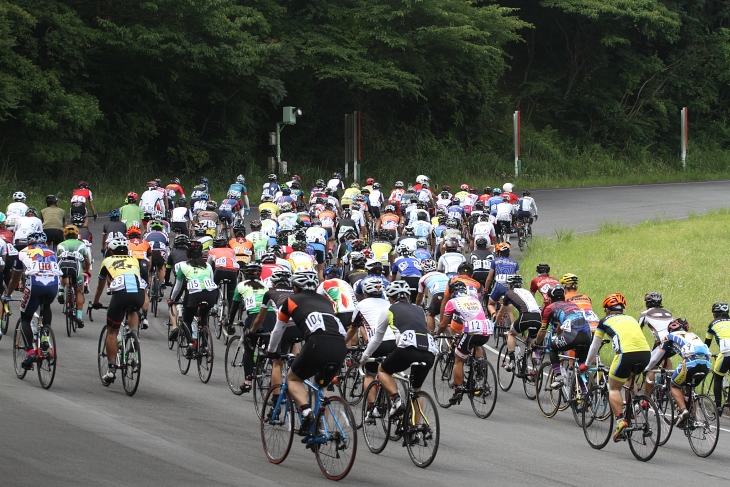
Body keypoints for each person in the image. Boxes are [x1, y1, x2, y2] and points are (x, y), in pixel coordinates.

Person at [265, 271, 347, 434]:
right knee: (321, 385)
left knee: (293, 378)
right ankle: (321, 431)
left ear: (295, 288)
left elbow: (278, 329)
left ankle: (307, 412)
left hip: (317, 342)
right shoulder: (325, 301)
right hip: (339, 345)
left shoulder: (290, 301)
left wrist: (272, 351)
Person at [359, 280, 438, 419]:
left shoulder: (388, 309)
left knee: (382, 370)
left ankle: (396, 400)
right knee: (416, 389)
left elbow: (377, 338)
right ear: (408, 296)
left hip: (407, 348)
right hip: (429, 351)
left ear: (389, 297)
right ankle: (415, 429)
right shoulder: (419, 309)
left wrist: (365, 356)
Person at [581, 293, 651, 442]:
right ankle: (632, 410)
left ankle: (621, 422)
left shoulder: (604, 321)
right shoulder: (631, 318)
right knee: (629, 379)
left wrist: (587, 364)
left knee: (613, 388)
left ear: (607, 309)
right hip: (645, 354)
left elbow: (595, 346)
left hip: (626, 354)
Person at [91, 236, 145, 384]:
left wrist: (95, 302)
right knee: (132, 310)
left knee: (112, 331)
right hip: (138, 294)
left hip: (120, 294)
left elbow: (100, 286)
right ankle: (134, 338)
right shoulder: (134, 260)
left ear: (110, 251)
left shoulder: (107, 261)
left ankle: (111, 369)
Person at [3, 232, 61, 368]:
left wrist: (8, 295)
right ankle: (46, 337)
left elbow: (15, 278)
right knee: (46, 307)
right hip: (53, 285)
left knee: (25, 318)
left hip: (35, 284)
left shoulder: (22, 252)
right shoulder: (52, 252)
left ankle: (30, 351)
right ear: (44, 242)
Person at [645, 318, 711, 427]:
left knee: (674, 385)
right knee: (690, 387)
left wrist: (647, 369)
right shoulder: (694, 335)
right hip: (706, 364)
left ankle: (684, 411)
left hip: (691, 362)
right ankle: (692, 417)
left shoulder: (669, 337)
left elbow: (656, 358)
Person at [437, 280, 492, 405]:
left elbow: (444, 324)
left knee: (459, 359)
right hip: (486, 329)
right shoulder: (475, 299)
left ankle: (458, 390)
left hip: (472, 330)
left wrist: (437, 333)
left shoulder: (452, 302)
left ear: (451, 293)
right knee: (476, 344)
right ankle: (479, 365)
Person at [169, 240, 219, 358]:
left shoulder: (183, 266)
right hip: (211, 293)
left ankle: (190, 344)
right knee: (204, 318)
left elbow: (178, 286)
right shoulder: (207, 265)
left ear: (187, 254)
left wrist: (172, 299)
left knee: (187, 319)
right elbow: (211, 280)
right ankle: (205, 346)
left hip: (194, 294)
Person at [536, 285, 592, 388]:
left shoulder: (550, 307)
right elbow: (561, 326)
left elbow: (543, 330)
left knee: (552, 347)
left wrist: (536, 344)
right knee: (580, 366)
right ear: (564, 296)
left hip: (574, 335)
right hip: (588, 335)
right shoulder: (573, 304)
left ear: (550, 298)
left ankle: (558, 377)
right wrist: (560, 337)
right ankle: (584, 393)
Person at [227, 263, 268, 391]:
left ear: (244, 275)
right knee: (268, 347)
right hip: (270, 317)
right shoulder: (266, 286)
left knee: (248, 346)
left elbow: (234, 307)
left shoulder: (240, 286)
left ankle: (248, 380)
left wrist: (229, 322)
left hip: (254, 317)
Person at [494, 275, 542, 372]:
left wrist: (495, 324)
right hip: (538, 318)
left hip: (526, 316)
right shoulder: (527, 292)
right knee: (531, 342)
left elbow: (501, 312)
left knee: (512, 333)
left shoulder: (509, 293)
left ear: (510, 286)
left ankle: (511, 362)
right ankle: (535, 368)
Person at [56, 225, 91, 327]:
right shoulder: (82, 244)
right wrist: (87, 270)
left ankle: (61, 290)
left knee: (63, 272)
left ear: (65, 236)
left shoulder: (60, 245)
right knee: (78, 291)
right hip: (76, 267)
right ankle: (79, 316)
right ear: (76, 235)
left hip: (63, 266)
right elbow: (87, 261)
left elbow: (59, 261)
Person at [317, 266, 359, 335]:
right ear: (340, 277)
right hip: (353, 312)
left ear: (326, 277)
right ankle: (352, 345)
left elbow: (317, 300)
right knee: (351, 331)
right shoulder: (346, 284)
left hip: (340, 314)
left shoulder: (324, 284)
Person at [704, 302, 730, 413]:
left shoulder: (713, 324)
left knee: (718, 378)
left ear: (715, 314)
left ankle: (718, 407)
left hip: (726, 353)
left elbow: (706, 345)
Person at [484, 242, 519, 316]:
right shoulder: (515, 263)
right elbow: (517, 279)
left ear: (499, 253)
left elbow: (489, 278)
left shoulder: (495, 262)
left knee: (490, 304)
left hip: (499, 286)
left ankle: (494, 315)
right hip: (510, 287)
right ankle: (510, 327)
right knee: (510, 311)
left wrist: (486, 289)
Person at [416, 259, 448, 332]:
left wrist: (416, 306)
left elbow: (419, 296)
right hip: (450, 295)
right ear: (435, 268)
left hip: (438, 294)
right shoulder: (444, 275)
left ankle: (431, 337)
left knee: (431, 315)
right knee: (448, 318)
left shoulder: (423, 279)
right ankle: (451, 340)